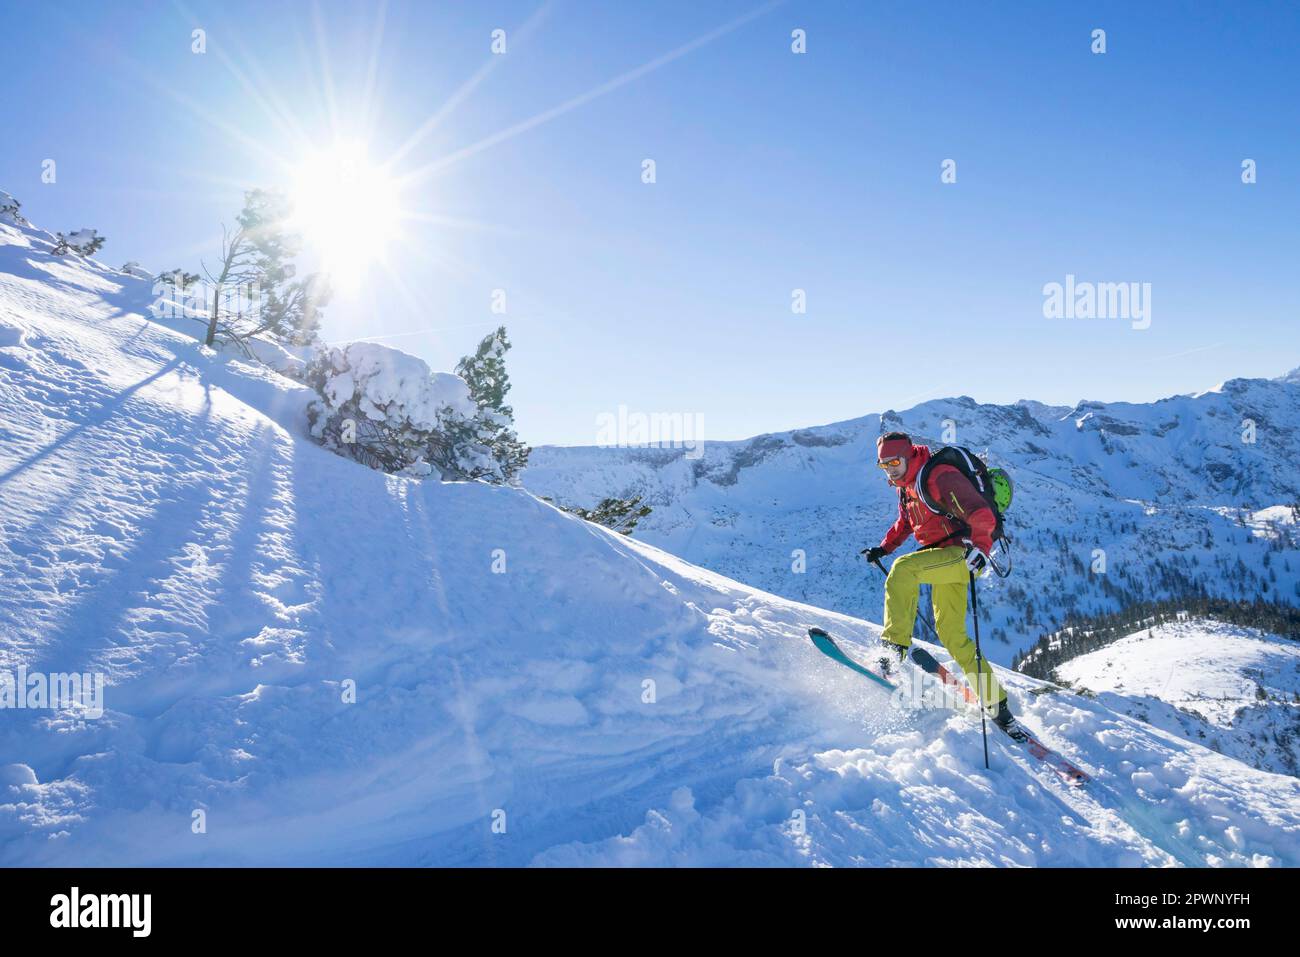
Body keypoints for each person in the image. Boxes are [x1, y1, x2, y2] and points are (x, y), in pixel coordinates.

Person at [861, 432, 1024, 738]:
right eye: (883, 465)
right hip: (942, 558)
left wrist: (980, 549)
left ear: (909, 456)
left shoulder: (939, 476)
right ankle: (998, 706)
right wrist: (883, 548)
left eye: (894, 461)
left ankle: (893, 649)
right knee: (954, 636)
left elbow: (982, 513)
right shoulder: (907, 487)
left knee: (903, 571)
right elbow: (907, 524)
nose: (890, 469)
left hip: (962, 556)